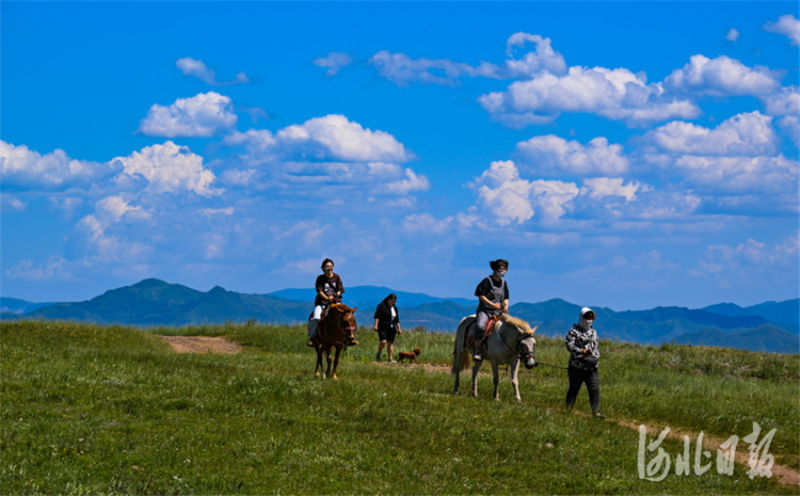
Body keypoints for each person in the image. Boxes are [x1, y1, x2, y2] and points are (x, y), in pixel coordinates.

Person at [307, 258, 358, 347]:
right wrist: (327, 298)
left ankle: (350, 337)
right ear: (323, 268)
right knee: (316, 317)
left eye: (330, 266)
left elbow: (340, 289)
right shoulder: (320, 278)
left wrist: (335, 295)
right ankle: (313, 337)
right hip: (322, 303)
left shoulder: (337, 277)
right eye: (327, 266)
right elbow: (319, 291)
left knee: (348, 317)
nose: (329, 268)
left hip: (336, 302)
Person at [565, 307, 604, 419]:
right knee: (574, 389)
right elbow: (569, 345)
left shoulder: (594, 332)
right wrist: (581, 352)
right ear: (581, 317)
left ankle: (595, 412)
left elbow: (596, 347)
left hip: (592, 367)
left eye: (591, 317)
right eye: (587, 317)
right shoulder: (573, 332)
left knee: (594, 389)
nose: (589, 320)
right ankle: (568, 410)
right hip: (576, 367)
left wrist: (594, 355)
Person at [471, 259, 509, 361]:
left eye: (505, 269)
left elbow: (506, 297)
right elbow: (481, 296)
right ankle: (477, 350)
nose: (504, 271)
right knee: (480, 326)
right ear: (495, 269)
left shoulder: (504, 283)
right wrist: (493, 305)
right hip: (486, 310)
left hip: (499, 312)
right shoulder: (487, 281)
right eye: (502, 269)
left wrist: (505, 306)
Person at [373, 293, 402, 363]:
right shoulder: (381, 306)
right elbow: (377, 317)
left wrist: (399, 328)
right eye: (391, 301)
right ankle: (379, 352)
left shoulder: (395, 308)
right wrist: (376, 325)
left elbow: (397, 319)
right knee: (383, 341)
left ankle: (390, 358)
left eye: (394, 301)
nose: (393, 302)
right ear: (388, 300)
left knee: (390, 343)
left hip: (392, 327)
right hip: (383, 326)